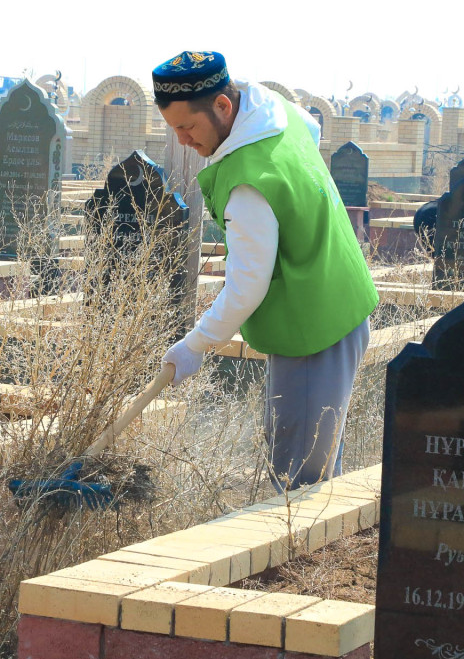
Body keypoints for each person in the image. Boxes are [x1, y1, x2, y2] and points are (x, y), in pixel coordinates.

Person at [154, 51, 378, 491]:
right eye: (174, 128)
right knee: (316, 463)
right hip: (337, 305)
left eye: (188, 127)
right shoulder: (279, 115)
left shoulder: (247, 184)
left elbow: (245, 287)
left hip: (314, 329)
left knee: (298, 479)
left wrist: (195, 345)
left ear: (222, 105)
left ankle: (293, 560)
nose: (182, 140)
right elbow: (311, 131)